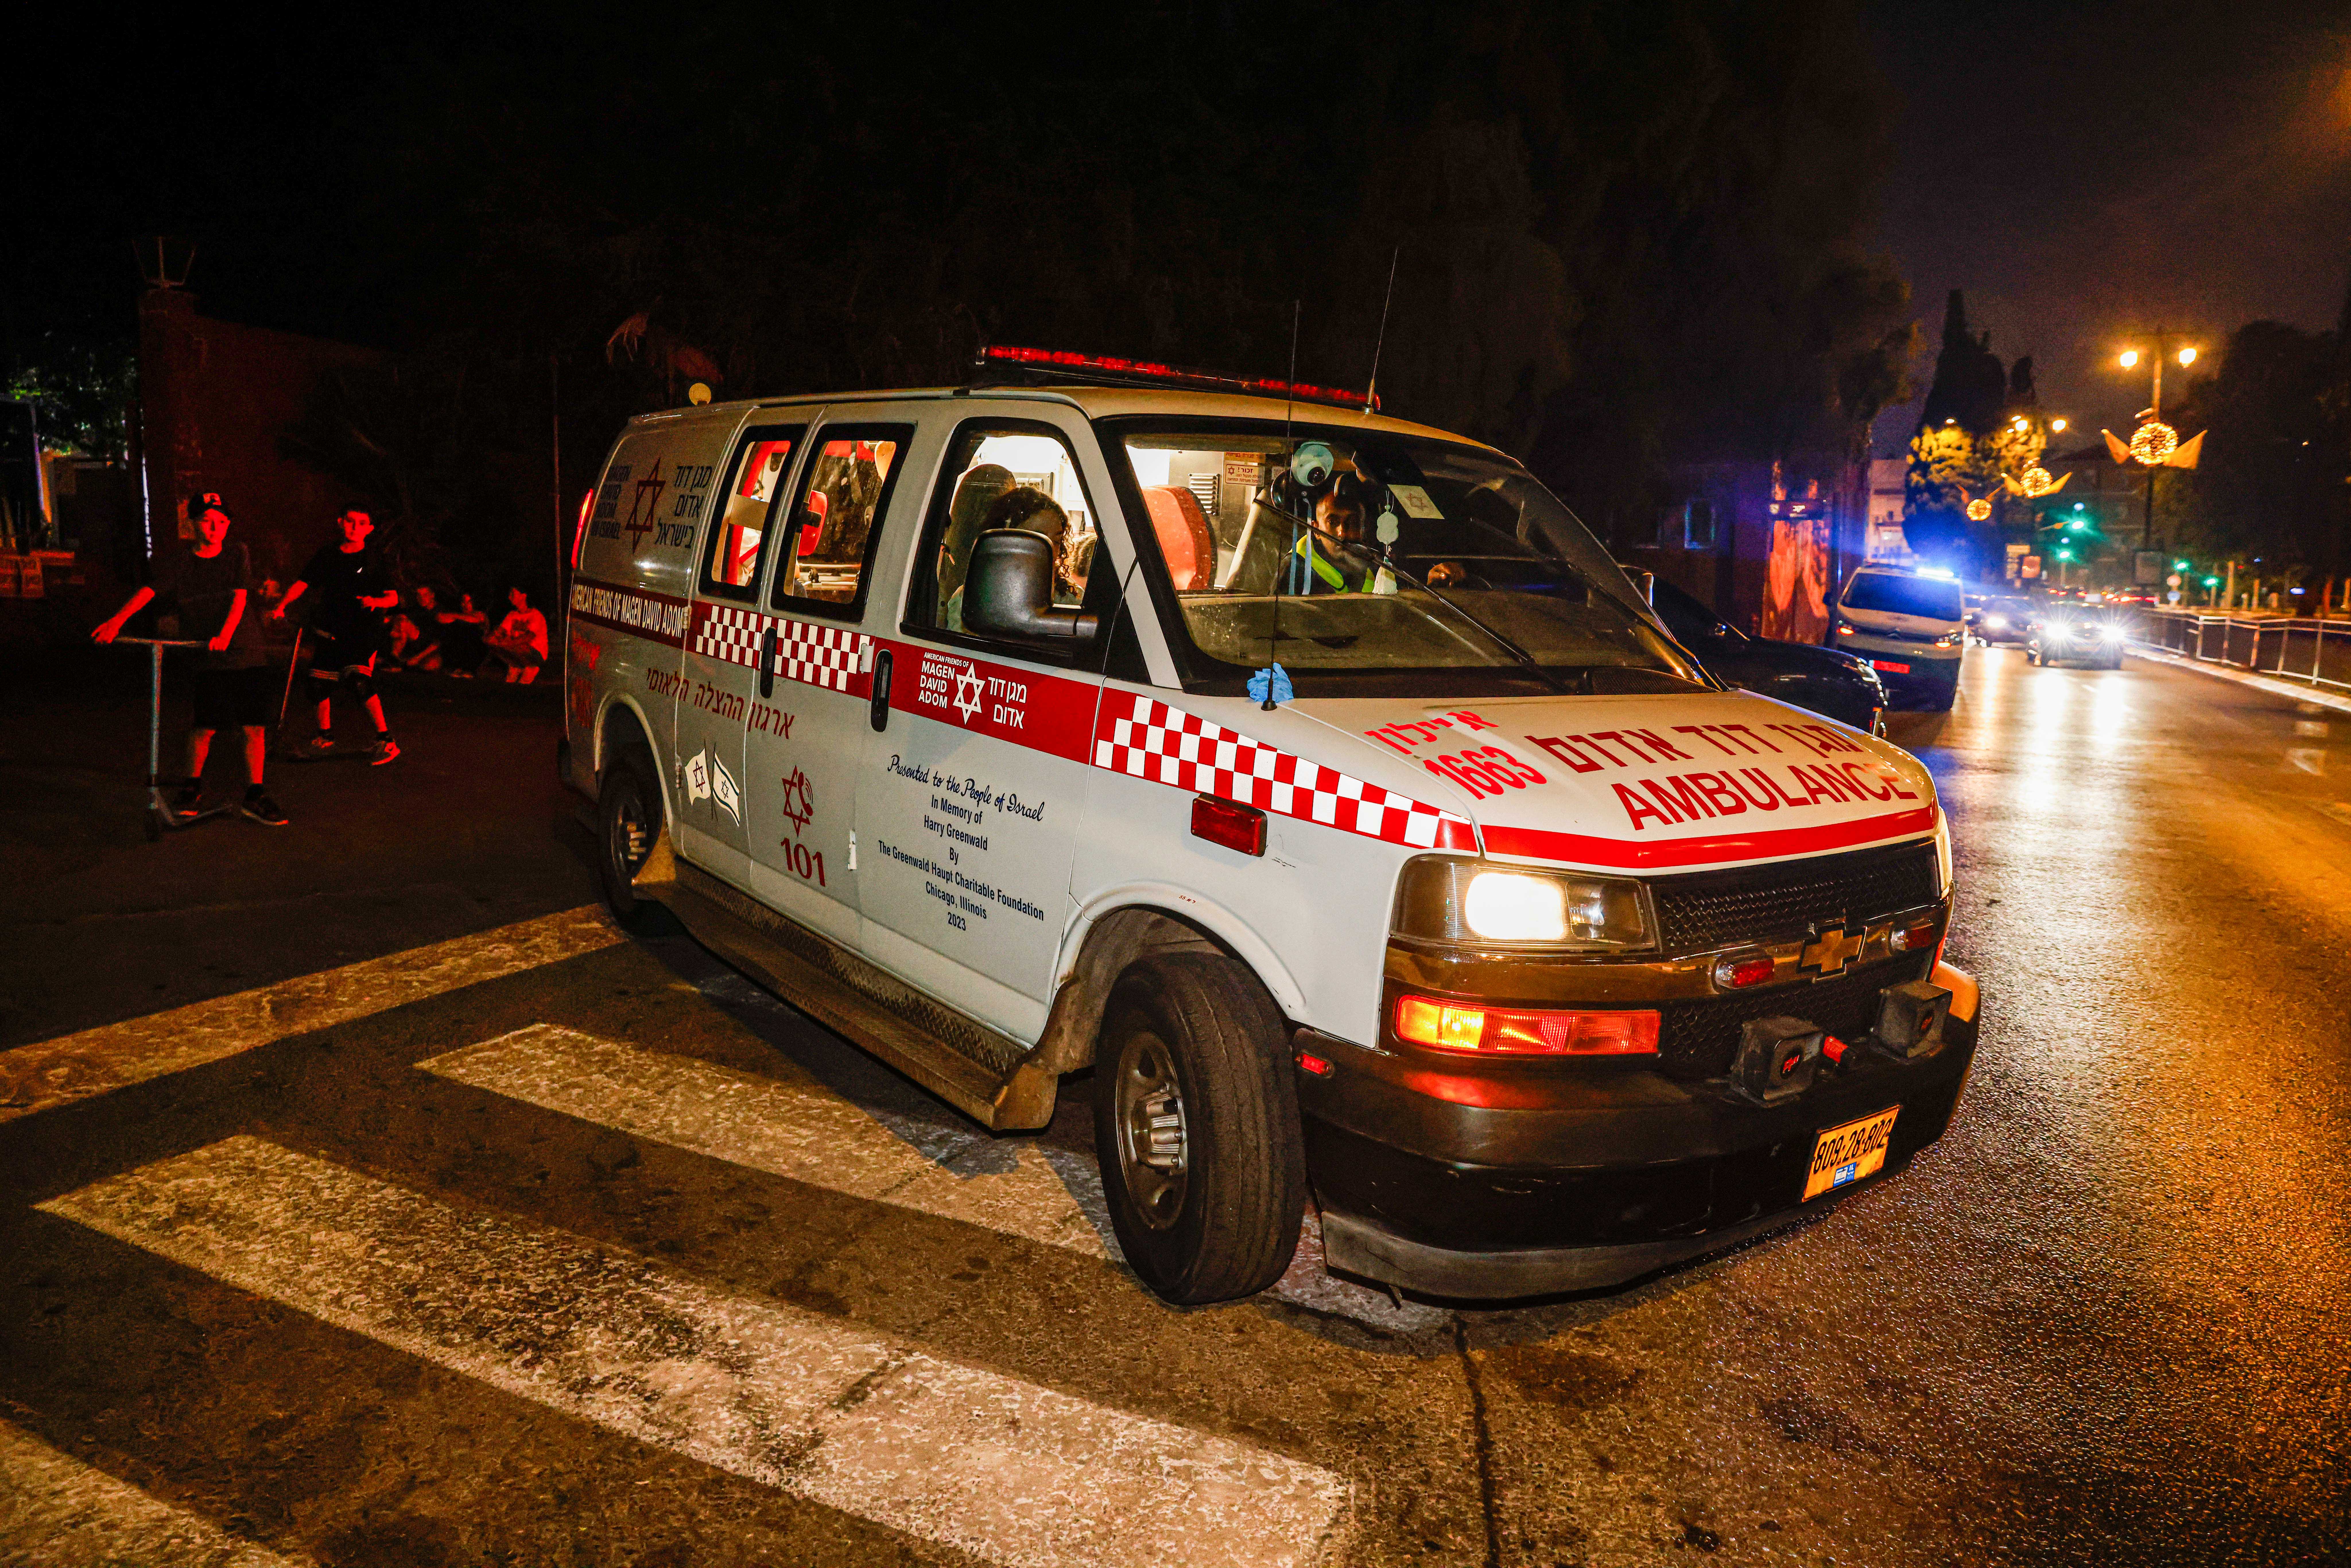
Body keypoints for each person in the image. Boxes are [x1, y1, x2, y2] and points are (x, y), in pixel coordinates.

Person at [90, 494, 288, 825]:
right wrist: (116, 621)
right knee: (205, 727)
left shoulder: (237, 552)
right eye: (208, 520)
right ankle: (191, 788)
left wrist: (226, 635)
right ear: (193, 524)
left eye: (222, 521)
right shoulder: (180, 562)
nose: (216, 527)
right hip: (208, 654)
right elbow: (150, 592)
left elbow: (239, 599)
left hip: (244, 650)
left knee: (253, 727)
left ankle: (256, 795)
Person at [274, 509, 401, 763]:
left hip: (363, 629)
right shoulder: (328, 554)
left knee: (358, 680)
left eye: (362, 523)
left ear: (370, 529)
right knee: (319, 683)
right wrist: (282, 604)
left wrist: (374, 601)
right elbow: (303, 582)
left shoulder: (375, 559)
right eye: (351, 522)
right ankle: (325, 736)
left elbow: (394, 597)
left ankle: (387, 741)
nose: (355, 527)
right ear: (341, 522)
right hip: (330, 626)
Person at [946, 486, 1067, 630]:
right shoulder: (969, 600)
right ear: (1004, 542)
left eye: (1057, 541)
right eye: (1038, 541)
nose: (1051, 551)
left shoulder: (1068, 598)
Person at [1282, 482, 1380, 595]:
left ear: (1363, 530)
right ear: (1316, 531)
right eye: (1333, 522)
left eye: (1353, 522)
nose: (1342, 533)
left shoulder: (1376, 564)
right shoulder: (1296, 567)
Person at [482, 585, 549, 682]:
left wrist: (504, 643)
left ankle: (529, 666)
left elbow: (528, 638)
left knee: (518, 645)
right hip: (517, 650)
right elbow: (501, 631)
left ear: (523, 596)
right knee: (492, 641)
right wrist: (493, 636)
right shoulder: (512, 615)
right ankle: (517, 665)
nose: (510, 597)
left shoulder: (536, 615)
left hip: (535, 654)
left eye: (513, 594)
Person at [434, 589, 490, 676]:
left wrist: (455, 616)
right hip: (462, 652)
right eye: (464, 602)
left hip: (478, 651)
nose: (466, 605)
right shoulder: (460, 615)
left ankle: (467, 670)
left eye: (469, 602)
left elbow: (476, 620)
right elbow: (441, 618)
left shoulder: (480, 614)